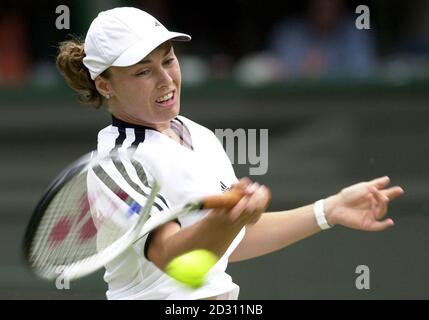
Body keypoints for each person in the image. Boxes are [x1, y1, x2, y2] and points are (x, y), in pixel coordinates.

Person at [55, 7, 404, 300]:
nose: (166, 80)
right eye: (144, 71)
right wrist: (229, 217)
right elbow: (170, 255)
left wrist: (328, 210)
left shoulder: (198, 135)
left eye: (169, 60)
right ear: (105, 84)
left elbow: (232, 243)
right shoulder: (116, 166)